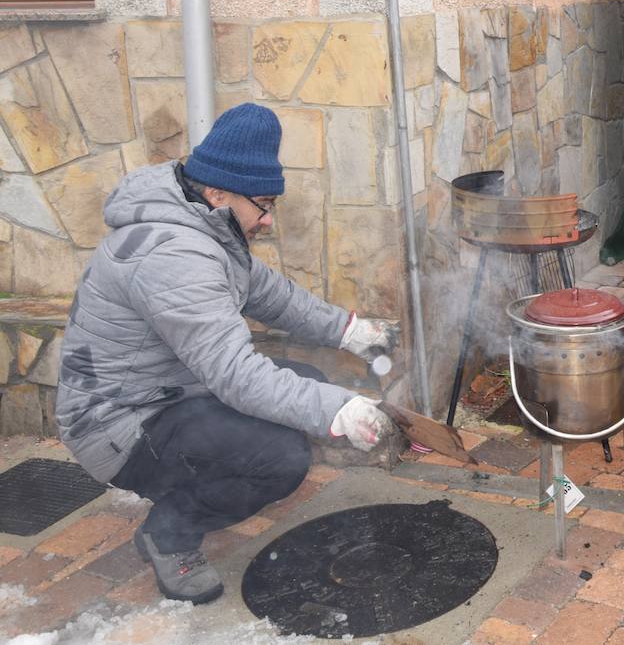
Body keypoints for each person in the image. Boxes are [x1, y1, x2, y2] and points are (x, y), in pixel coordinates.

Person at [57, 104, 397, 604]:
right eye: (261, 203)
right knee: (281, 457)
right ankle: (169, 534)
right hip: (120, 426)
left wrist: (350, 331)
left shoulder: (202, 224)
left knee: (300, 378)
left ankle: (207, 482)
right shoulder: (174, 256)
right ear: (218, 192)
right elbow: (236, 376)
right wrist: (338, 410)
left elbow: (271, 296)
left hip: (170, 392)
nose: (266, 218)